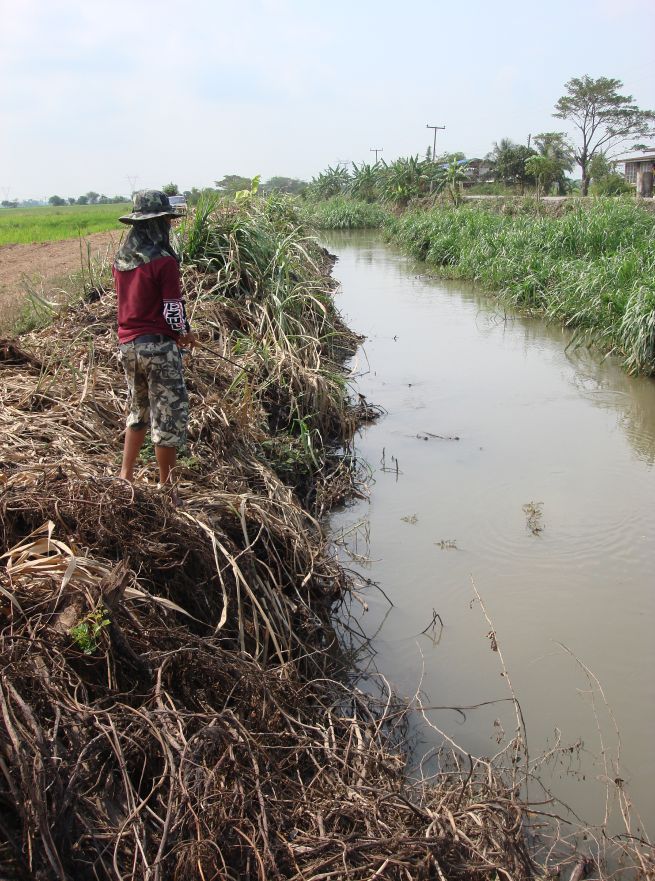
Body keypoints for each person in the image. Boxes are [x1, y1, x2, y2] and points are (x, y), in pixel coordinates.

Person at [113, 190, 195, 496]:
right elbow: (172, 308)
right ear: (158, 224)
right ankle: (167, 486)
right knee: (168, 415)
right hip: (158, 348)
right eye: (166, 222)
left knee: (138, 411)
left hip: (128, 346)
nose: (169, 227)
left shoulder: (121, 262)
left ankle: (125, 477)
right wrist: (184, 333)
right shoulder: (164, 262)